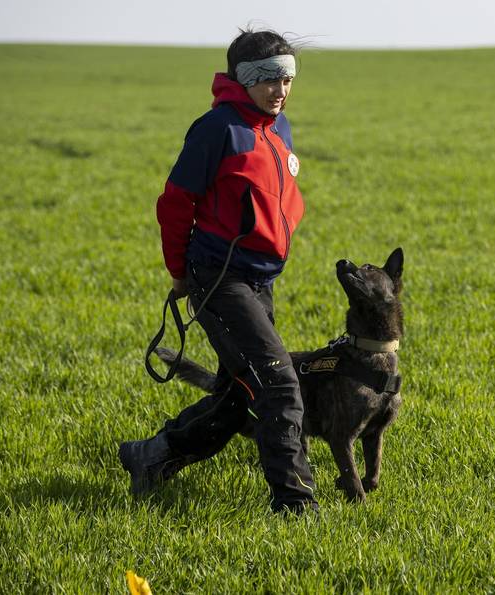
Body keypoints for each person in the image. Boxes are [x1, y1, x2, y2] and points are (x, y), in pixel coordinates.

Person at [118, 28, 318, 514]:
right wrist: (178, 272)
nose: (280, 88)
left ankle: (153, 455)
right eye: (268, 78)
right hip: (219, 277)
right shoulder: (216, 130)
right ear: (242, 79)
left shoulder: (279, 126)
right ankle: (295, 506)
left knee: (238, 389)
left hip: (260, 278)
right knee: (278, 382)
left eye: (287, 77)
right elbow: (174, 204)